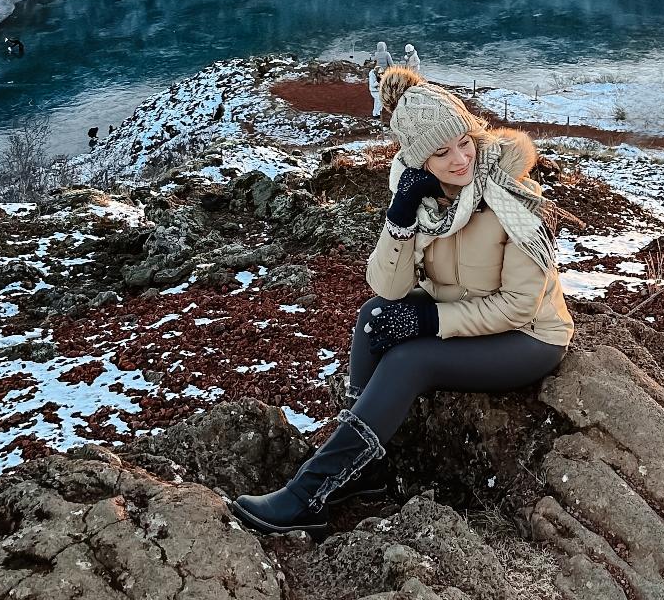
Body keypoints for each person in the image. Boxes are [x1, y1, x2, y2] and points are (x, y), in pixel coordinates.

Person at [231, 66, 574, 536]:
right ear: (418, 161)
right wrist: (400, 216)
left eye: (464, 142)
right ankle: (362, 470)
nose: (460, 159)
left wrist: (430, 319)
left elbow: (519, 306)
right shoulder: (422, 201)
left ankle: (308, 494)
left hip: (530, 338)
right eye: (441, 151)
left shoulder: (512, 200)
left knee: (411, 361)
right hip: (469, 319)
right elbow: (387, 290)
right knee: (373, 319)